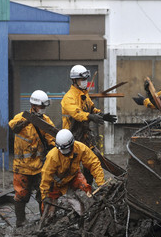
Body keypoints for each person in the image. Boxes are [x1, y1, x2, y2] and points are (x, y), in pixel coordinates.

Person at [8, 90, 56, 227]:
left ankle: (44, 221)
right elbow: (13, 127)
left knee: (43, 194)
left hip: (39, 167)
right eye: (41, 107)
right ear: (33, 106)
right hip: (21, 167)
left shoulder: (46, 121)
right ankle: (20, 222)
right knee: (21, 195)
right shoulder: (20, 117)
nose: (43, 109)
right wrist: (28, 119)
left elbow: (51, 140)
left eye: (44, 107)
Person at [40, 129, 105, 215]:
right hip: (56, 184)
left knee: (86, 189)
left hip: (74, 177)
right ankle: (48, 222)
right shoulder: (52, 156)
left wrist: (101, 184)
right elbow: (46, 176)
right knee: (48, 208)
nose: (65, 153)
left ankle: (90, 212)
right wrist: (45, 196)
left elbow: (94, 164)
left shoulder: (81, 149)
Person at [61, 64, 117, 147]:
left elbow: (92, 109)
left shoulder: (84, 94)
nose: (85, 81)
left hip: (84, 135)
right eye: (83, 79)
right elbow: (77, 113)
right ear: (74, 80)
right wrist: (91, 117)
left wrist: (102, 115)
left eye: (86, 79)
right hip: (71, 137)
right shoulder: (69, 97)